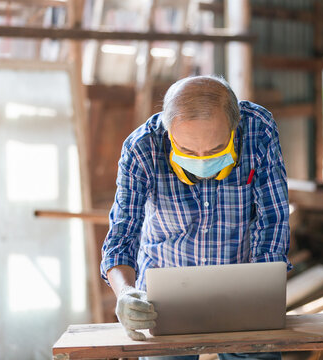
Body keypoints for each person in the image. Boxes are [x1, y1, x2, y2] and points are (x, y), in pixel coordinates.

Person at [100, 75, 291, 360]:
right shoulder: (142, 148)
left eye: (215, 150)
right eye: (187, 151)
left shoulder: (257, 130)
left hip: (242, 289)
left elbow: (272, 220)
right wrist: (125, 293)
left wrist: (262, 294)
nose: (202, 161)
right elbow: (122, 234)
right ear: (168, 131)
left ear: (234, 125)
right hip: (164, 295)